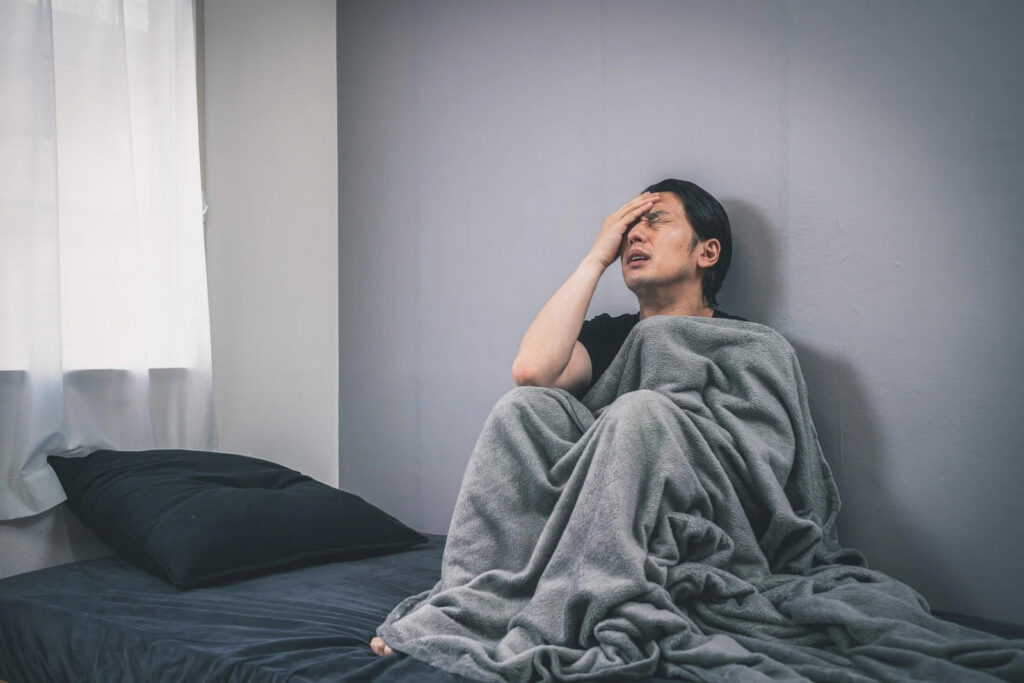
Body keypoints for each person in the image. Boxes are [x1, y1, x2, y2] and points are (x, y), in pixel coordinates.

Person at [370, 178, 743, 658]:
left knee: (640, 410)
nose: (634, 234)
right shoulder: (611, 338)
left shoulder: (745, 344)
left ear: (706, 252)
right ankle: (473, 603)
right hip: (582, 522)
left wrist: (653, 423)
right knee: (521, 406)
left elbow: (755, 464)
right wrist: (595, 259)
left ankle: (586, 600)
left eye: (655, 220)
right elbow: (532, 372)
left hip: (686, 522)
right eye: (628, 227)